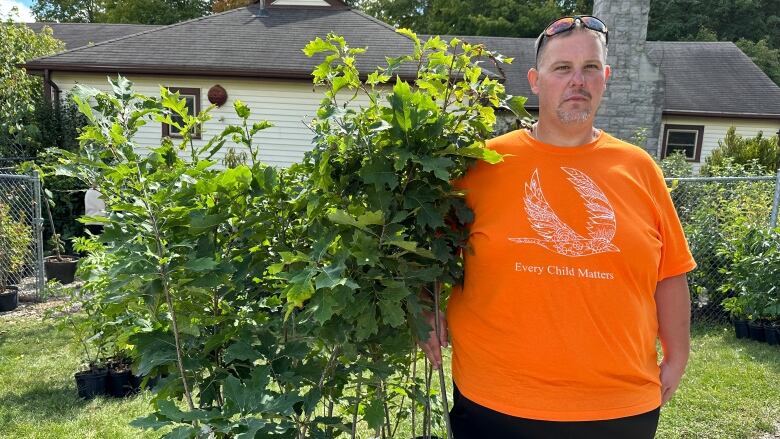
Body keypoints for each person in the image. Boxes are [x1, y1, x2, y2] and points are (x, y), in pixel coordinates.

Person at [418, 15, 696, 438]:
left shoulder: (639, 169)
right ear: (535, 80)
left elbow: (670, 273)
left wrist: (678, 357)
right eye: (562, 68)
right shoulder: (480, 164)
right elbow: (430, 256)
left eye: (589, 68)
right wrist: (426, 309)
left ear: (605, 77)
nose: (577, 81)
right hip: (495, 401)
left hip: (618, 408)